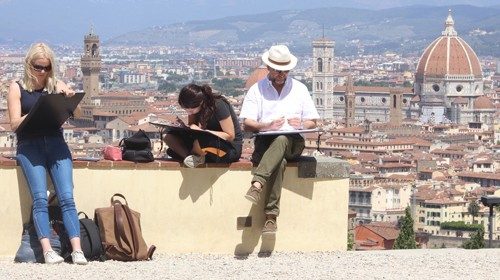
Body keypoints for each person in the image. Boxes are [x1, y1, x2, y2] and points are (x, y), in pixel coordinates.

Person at [7, 43, 88, 265]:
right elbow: (13, 123)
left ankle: (77, 250)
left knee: (67, 197)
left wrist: (68, 95)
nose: (42, 71)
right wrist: (38, 110)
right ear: (28, 64)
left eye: (46, 67)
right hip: (30, 145)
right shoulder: (16, 87)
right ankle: (47, 251)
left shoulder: (55, 85)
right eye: (38, 66)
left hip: (56, 144)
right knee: (40, 198)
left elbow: (78, 112)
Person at [239, 45, 320, 235]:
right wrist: (266, 126)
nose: (282, 74)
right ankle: (270, 219)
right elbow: (247, 124)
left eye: (286, 70)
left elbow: (312, 122)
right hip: (265, 143)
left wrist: (301, 123)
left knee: (283, 138)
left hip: (293, 142)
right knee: (280, 162)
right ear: (269, 68)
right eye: (278, 70)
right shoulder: (256, 90)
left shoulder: (300, 89)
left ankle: (257, 184)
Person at [164, 83, 242, 167]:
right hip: (206, 144)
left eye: (191, 110)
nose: (189, 113)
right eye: (185, 109)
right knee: (168, 136)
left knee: (201, 141)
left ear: (201, 102)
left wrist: (203, 131)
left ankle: (190, 156)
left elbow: (230, 136)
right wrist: (183, 127)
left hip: (229, 149)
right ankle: (190, 158)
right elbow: (192, 126)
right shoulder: (193, 106)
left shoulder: (218, 105)